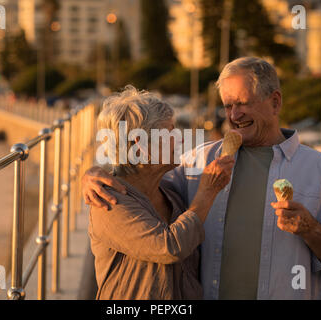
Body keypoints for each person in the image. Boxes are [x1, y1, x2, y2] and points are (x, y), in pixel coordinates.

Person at [82, 57, 321, 300]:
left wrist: (312, 230)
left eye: (242, 103)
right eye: (228, 105)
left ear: (275, 102)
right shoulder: (198, 162)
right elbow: (138, 180)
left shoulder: (318, 169)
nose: (234, 115)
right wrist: (95, 173)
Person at [88, 85, 234, 299]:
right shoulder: (108, 201)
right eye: (170, 131)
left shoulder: (170, 191)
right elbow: (169, 248)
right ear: (141, 144)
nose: (181, 138)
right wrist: (208, 191)